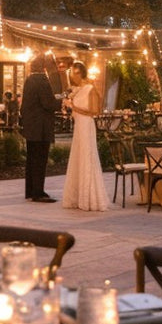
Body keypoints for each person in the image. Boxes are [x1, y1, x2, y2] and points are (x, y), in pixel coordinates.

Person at [20, 56, 66, 203]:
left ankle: (30, 191)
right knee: (40, 160)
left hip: (31, 127)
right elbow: (48, 103)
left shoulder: (29, 80)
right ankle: (38, 192)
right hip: (41, 128)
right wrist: (62, 101)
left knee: (31, 160)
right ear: (44, 67)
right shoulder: (42, 80)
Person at [61, 62, 106, 212]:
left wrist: (73, 106)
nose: (72, 77)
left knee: (87, 157)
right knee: (78, 157)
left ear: (80, 73)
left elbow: (93, 112)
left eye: (74, 73)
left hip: (86, 125)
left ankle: (89, 197)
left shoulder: (90, 89)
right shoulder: (78, 90)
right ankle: (77, 196)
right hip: (79, 127)